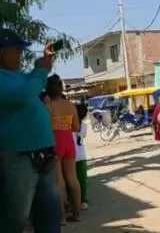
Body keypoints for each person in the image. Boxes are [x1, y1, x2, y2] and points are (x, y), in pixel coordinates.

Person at [0, 29, 61, 233]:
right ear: (2, 53)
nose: (20, 53)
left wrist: (44, 63)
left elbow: (31, 81)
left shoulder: (16, 76)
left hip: (43, 154)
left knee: (50, 215)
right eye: (16, 49)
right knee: (16, 219)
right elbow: (25, 95)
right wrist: (43, 72)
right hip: (19, 158)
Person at [46, 74, 83, 224]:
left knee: (59, 181)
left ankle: (62, 217)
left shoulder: (48, 106)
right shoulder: (70, 105)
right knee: (72, 178)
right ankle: (77, 213)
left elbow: (44, 126)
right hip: (68, 140)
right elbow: (77, 127)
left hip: (54, 141)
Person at [73, 103, 90, 210]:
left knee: (74, 180)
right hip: (81, 155)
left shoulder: (70, 124)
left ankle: (76, 201)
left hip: (73, 156)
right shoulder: (84, 126)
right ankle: (83, 200)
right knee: (82, 180)